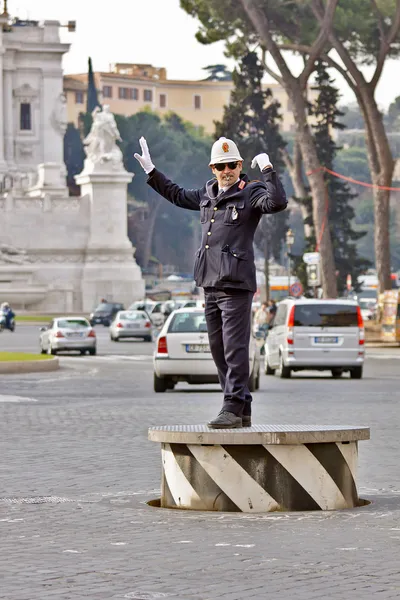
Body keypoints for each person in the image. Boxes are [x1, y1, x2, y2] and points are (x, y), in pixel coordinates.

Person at [134, 136, 287, 428]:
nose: (226, 170)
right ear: (212, 168)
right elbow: (177, 195)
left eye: (231, 165)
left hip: (236, 283)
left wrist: (267, 169)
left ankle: (231, 405)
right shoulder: (207, 194)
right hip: (210, 282)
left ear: (240, 165)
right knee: (218, 348)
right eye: (220, 166)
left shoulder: (251, 192)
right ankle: (242, 408)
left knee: (234, 347)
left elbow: (277, 202)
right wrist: (152, 172)